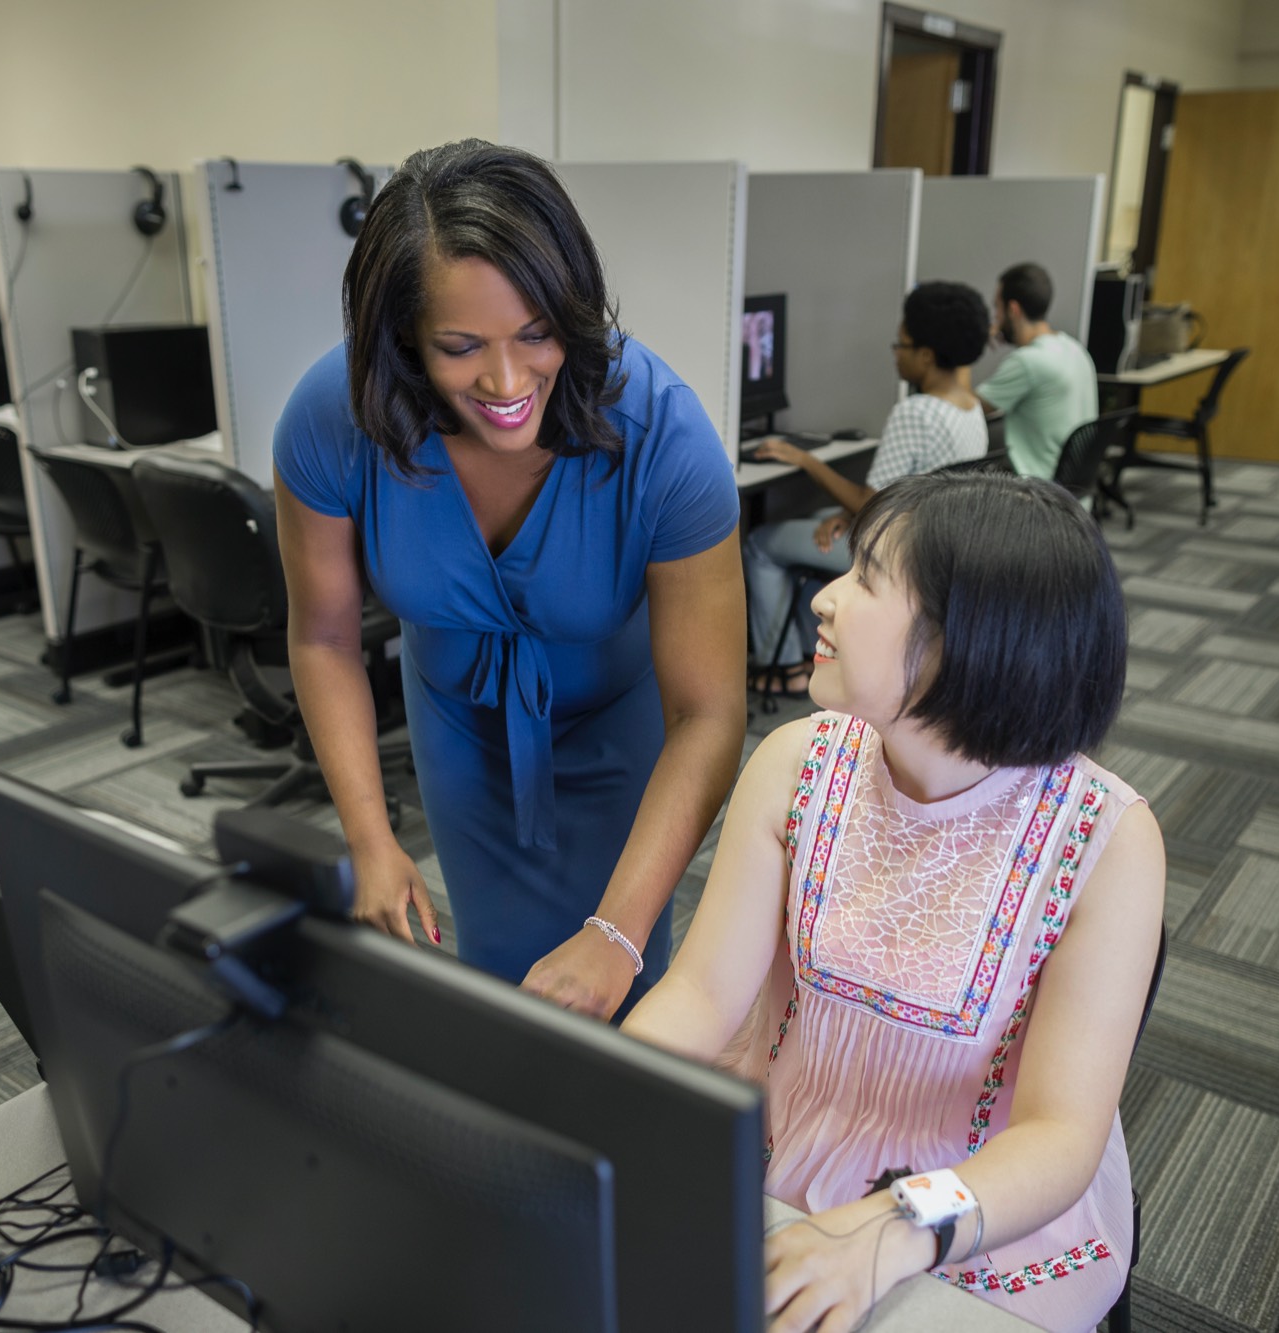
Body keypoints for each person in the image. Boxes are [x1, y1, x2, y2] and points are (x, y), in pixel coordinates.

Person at [624, 470, 1164, 1333]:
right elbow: (700, 995)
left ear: (969, 641)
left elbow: (1061, 1133)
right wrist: (590, 1090)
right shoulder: (797, 762)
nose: (826, 599)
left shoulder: (1106, 840)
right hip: (779, 1143)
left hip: (978, 1205)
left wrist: (896, 1223)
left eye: (868, 578)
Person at [273, 139, 747, 1021]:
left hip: (625, 728)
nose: (505, 381)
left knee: (626, 989)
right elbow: (325, 637)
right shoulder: (332, 420)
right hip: (457, 720)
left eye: (537, 333)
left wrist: (615, 932)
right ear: (403, 338)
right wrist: (371, 839)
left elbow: (712, 712)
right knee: (498, 975)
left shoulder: (663, 434)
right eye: (459, 346)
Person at [743, 281, 991, 689]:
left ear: (926, 356)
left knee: (761, 544)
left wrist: (804, 459)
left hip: (895, 551)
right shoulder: (969, 406)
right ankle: (811, 652)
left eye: (902, 345)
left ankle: (783, 668)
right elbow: (901, 489)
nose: (895, 354)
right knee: (821, 521)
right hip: (931, 544)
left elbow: (869, 502)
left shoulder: (915, 412)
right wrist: (846, 512)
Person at [975, 262, 1098, 481]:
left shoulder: (1028, 362)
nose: (996, 319)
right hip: (1075, 493)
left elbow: (968, 408)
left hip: (1037, 495)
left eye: (997, 309)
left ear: (1013, 309)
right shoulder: (1074, 348)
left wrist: (969, 345)